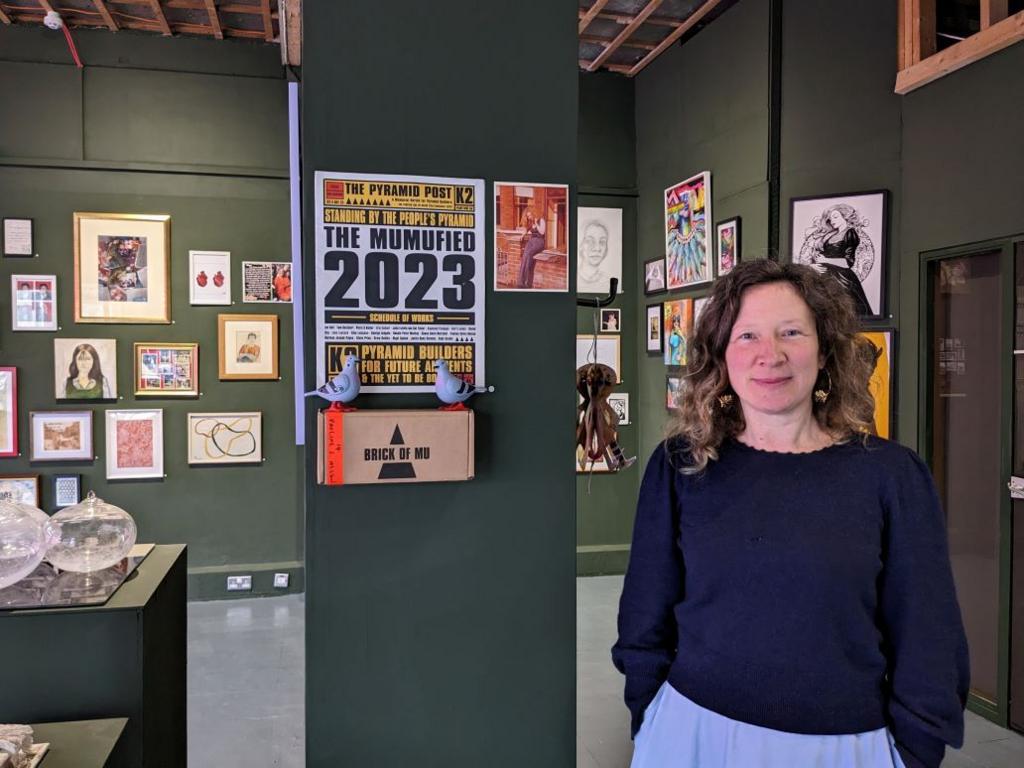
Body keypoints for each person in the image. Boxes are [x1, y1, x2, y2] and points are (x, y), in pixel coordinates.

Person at [613, 260, 968, 768]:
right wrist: (649, 719)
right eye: (747, 336)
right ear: (721, 356)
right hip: (690, 733)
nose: (770, 355)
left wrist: (913, 752)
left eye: (791, 333)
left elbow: (929, 635)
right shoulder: (680, 466)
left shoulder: (892, 476)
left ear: (824, 351)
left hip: (844, 745)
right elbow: (644, 613)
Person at [804, 203, 873, 315]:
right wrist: (813, 265)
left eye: (835, 217)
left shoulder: (850, 233)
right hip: (824, 276)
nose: (832, 221)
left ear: (845, 216)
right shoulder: (830, 235)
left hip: (841, 278)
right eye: (830, 219)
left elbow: (848, 263)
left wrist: (825, 260)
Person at [578, 220, 614, 294]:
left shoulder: (608, 282)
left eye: (602, 242)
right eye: (590, 241)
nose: (597, 248)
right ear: (581, 245)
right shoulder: (570, 280)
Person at [516, 207, 547, 289]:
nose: (529, 217)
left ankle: (527, 282)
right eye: (528, 216)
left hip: (539, 242)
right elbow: (526, 229)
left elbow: (542, 232)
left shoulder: (541, 220)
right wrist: (522, 235)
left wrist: (536, 223)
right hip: (531, 241)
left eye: (530, 215)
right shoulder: (530, 222)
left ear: (533, 213)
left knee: (529, 255)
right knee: (524, 256)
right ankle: (521, 282)